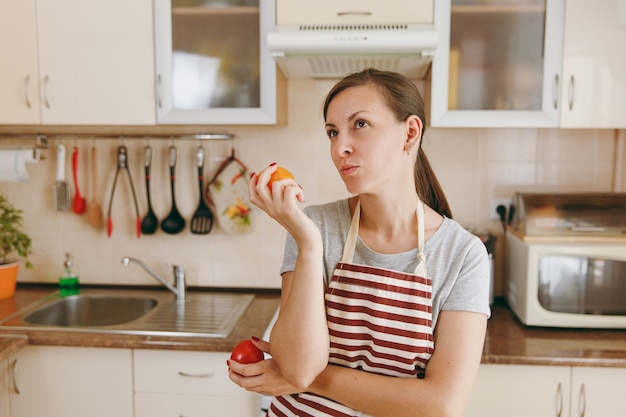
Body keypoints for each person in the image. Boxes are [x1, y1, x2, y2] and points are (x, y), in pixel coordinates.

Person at [228, 68, 491, 417]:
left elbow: (440, 405)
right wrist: (308, 244)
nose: (340, 147)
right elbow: (299, 366)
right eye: (332, 132)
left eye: (360, 125)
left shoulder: (462, 255)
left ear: (410, 133)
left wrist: (314, 381)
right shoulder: (314, 227)